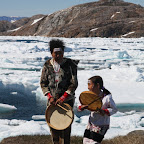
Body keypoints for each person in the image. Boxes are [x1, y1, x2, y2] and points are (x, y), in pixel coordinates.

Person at [40, 39, 79, 144]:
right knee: (53, 126)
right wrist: (49, 96)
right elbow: (43, 83)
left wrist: (64, 97)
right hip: (52, 101)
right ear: (51, 53)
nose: (58, 56)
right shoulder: (47, 65)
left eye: (60, 53)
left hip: (67, 101)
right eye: (56, 53)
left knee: (65, 127)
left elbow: (73, 83)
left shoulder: (70, 65)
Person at [78, 76, 117, 144]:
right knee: (85, 141)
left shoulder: (107, 97)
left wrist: (104, 111)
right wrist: (81, 107)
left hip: (102, 124)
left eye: (90, 84)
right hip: (91, 123)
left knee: (94, 142)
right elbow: (79, 104)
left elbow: (114, 109)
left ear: (97, 85)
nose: (88, 87)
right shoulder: (89, 96)